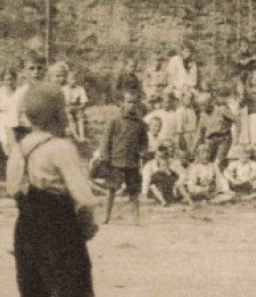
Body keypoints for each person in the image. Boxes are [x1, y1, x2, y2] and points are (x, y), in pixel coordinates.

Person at [8, 84, 100, 297]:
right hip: (58, 230)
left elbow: (12, 191)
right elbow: (84, 196)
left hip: (26, 231)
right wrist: (88, 224)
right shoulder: (61, 147)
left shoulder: (18, 149)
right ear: (59, 113)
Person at [95, 88, 149, 224]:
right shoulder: (114, 120)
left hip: (132, 162)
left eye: (134, 103)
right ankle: (105, 217)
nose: (131, 105)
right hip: (116, 161)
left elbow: (144, 141)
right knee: (111, 190)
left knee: (133, 192)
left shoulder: (140, 123)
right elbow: (105, 140)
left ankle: (135, 218)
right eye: (128, 102)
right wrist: (105, 157)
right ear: (122, 103)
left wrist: (142, 151)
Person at [142, 142, 185, 207]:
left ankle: (173, 197)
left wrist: (177, 184)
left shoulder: (171, 163)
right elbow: (146, 180)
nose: (160, 158)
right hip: (157, 189)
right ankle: (163, 201)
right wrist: (144, 193)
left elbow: (182, 174)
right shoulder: (149, 165)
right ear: (155, 155)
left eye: (163, 156)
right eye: (158, 156)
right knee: (152, 185)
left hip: (169, 187)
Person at [63, 69, 90, 143]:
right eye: (71, 79)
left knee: (80, 117)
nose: (73, 81)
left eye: (74, 79)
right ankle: (76, 137)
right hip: (66, 108)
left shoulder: (80, 89)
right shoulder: (63, 89)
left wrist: (77, 108)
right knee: (69, 117)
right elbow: (61, 103)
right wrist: (67, 108)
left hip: (77, 108)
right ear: (67, 80)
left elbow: (84, 104)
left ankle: (82, 136)